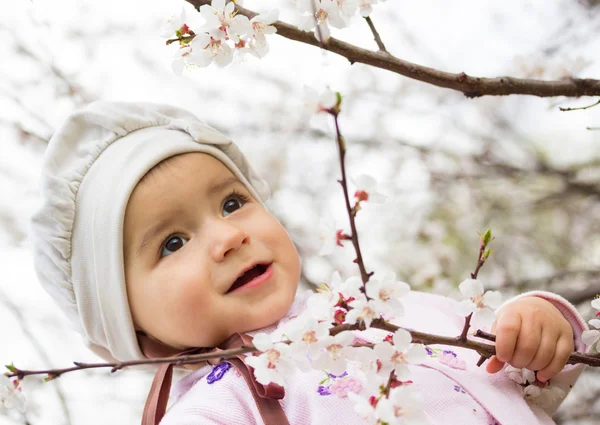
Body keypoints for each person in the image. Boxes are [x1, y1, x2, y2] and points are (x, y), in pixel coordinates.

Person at [30, 101, 589, 425]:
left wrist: (538, 324)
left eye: (232, 203)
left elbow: (516, 366)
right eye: (172, 243)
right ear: (129, 323)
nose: (226, 237)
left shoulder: (376, 311)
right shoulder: (219, 403)